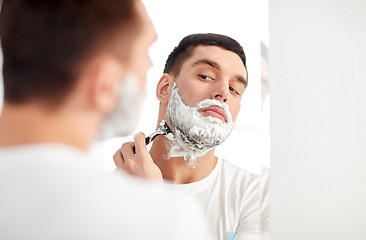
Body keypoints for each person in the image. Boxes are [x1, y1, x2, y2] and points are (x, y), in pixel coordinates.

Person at [0, 1, 209, 239]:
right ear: (105, 84)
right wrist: (152, 201)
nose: (151, 65)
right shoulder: (162, 219)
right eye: (145, 51)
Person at [114, 33, 270, 240]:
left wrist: (155, 201)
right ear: (165, 88)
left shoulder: (258, 195)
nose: (223, 92)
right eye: (206, 76)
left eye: (234, 89)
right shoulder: (100, 195)